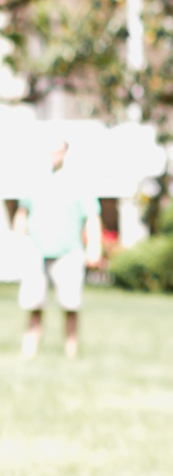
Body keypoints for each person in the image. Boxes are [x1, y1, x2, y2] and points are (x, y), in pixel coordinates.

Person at [14, 138, 103, 360]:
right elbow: (22, 212)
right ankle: (29, 352)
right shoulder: (36, 181)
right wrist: (18, 242)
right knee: (33, 304)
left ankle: (71, 352)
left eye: (58, 151)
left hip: (69, 252)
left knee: (70, 305)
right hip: (37, 250)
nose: (53, 155)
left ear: (65, 153)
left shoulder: (78, 182)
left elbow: (92, 217)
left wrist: (94, 246)